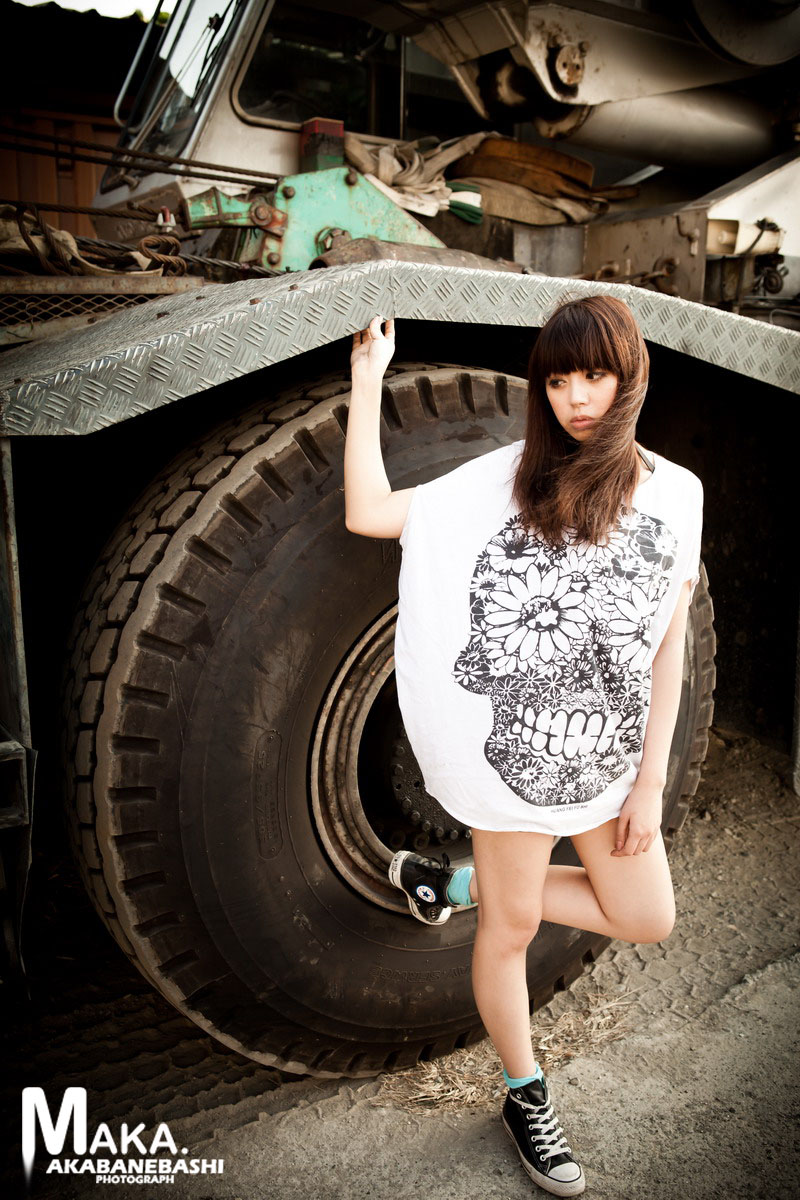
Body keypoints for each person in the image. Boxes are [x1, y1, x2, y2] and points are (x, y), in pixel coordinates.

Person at [344, 295, 704, 1197]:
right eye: (558, 379)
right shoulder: (503, 482)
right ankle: (524, 1092)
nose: (576, 398)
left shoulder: (679, 494)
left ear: (630, 378)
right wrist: (367, 380)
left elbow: (669, 640)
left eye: (596, 376)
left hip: (611, 757)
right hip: (519, 757)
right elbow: (369, 512)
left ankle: (454, 885)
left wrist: (650, 779)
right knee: (512, 930)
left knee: (647, 917)